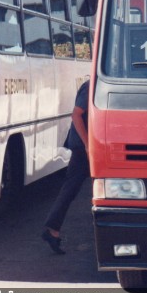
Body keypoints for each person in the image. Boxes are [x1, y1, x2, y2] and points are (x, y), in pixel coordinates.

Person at [41, 79, 90, 255]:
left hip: (88, 147)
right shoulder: (90, 86)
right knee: (70, 189)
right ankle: (51, 230)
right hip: (84, 149)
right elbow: (76, 114)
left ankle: (52, 231)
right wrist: (87, 144)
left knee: (71, 189)